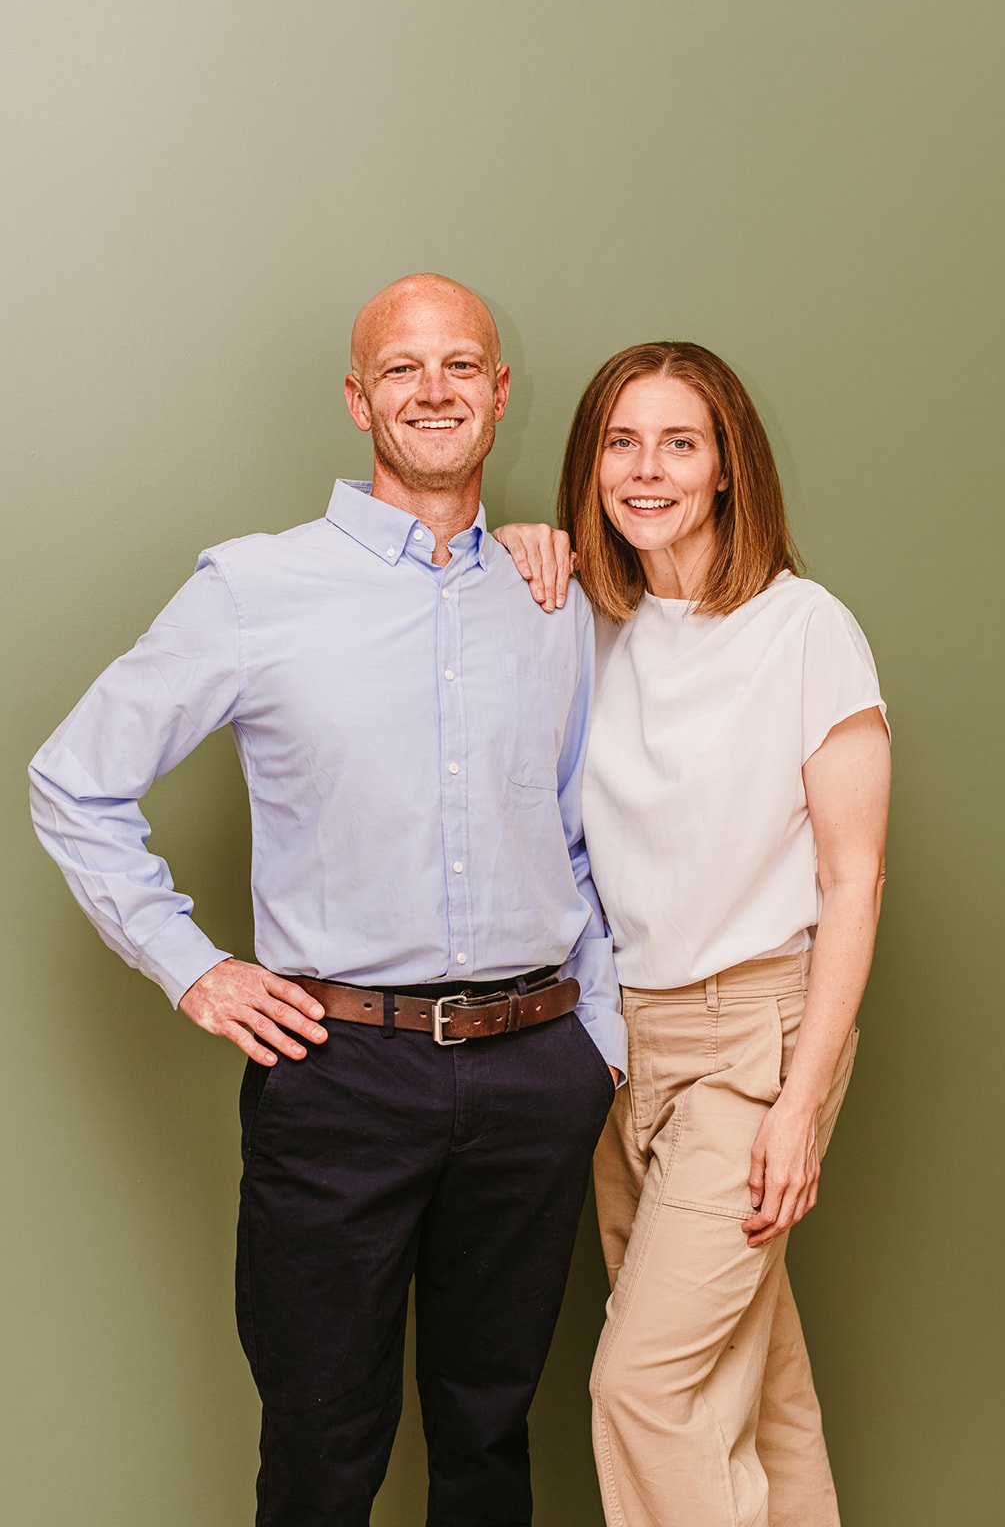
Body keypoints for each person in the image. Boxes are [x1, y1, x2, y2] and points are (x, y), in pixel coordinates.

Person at [28, 273, 625, 1527]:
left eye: (461, 365)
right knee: (321, 1439)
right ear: (359, 398)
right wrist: (193, 964)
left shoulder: (551, 600)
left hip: (534, 1072)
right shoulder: (255, 589)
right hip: (339, 1070)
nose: (434, 390)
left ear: (501, 394)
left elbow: (586, 839)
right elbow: (73, 782)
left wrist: (600, 1046)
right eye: (403, 368)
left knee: (488, 1429)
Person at [495, 341, 891, 1527]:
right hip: (625, 1043)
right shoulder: (589, 624)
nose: (646, 468)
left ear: (728, 469)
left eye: (679, 442)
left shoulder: (804, 627)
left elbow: (854, 877)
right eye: (621, 441)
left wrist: (797, 1106)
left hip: (758, 1036)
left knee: (643, 1383)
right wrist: (527, 546)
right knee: (751, 1386)